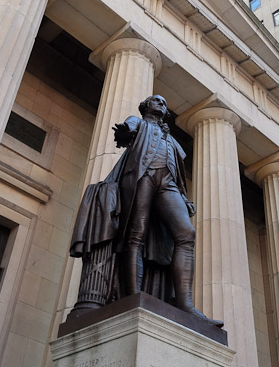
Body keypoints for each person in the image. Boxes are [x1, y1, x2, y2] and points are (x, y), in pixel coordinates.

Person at [71, 95, 222, 327]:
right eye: (156, 100)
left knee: (186, 234)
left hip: (167, 185)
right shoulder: (138, 123)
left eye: (164, 102)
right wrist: (123, 131)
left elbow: (178, 173)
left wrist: (183, 197)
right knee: (136, 233)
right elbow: (125, 132)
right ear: (145, 107)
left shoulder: (172, 141)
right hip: (142, 176)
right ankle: (133, 296)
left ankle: (186, 305)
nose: (161, 103)